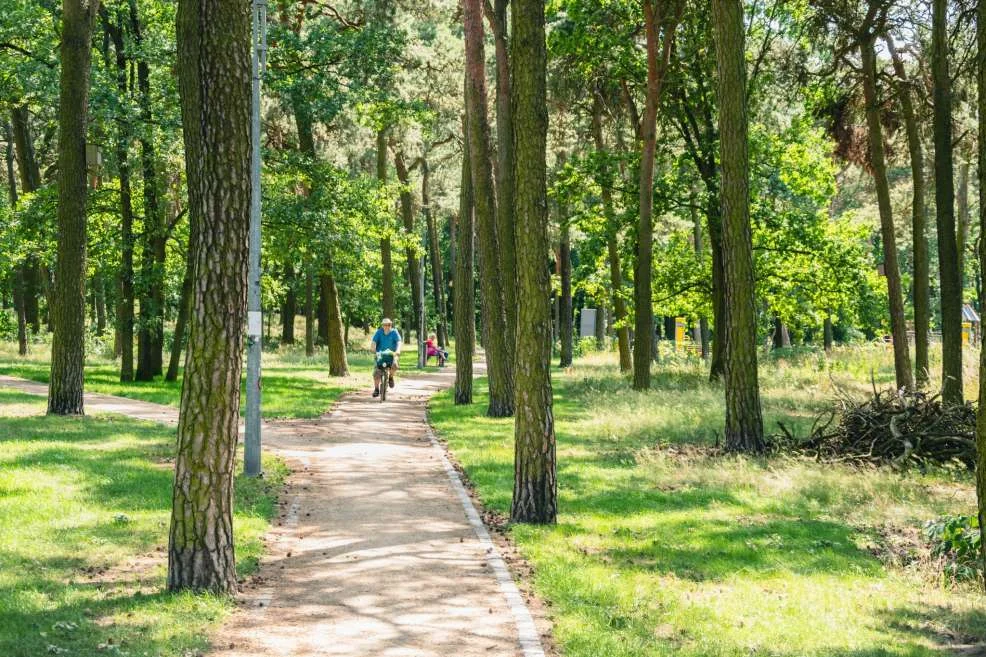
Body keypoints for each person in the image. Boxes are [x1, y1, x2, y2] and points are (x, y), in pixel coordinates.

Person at [371, 318, 402, 397]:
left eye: (389, 325)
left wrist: (398, 350)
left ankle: (391, 377)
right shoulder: (379, 332)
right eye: (385, 325)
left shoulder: (394, 332)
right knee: (377, 372)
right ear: (382, 325)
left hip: (392, 354)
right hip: (380, 354)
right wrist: (373, 349)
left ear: (391, 325)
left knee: (395, 365)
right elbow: (374, 342)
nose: (387, 326)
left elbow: (399, 342)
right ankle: (376, 389)